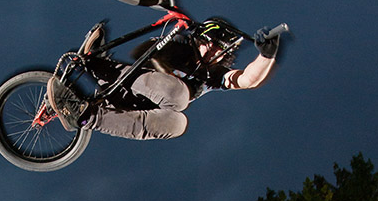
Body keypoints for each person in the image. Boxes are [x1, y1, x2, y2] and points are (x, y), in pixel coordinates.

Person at [47, 21, 281, 140]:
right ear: (198, 38)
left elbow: (247, 79)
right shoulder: (179, 45)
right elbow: (141, 50)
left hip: (132, 109)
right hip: (126, 83)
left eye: (217, 50)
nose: (210, 50)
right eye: (208, 42)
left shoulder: (212, 75)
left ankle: (86, 115)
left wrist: (266, 55)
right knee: (179, 95)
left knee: (179, 122)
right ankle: (98, 64)